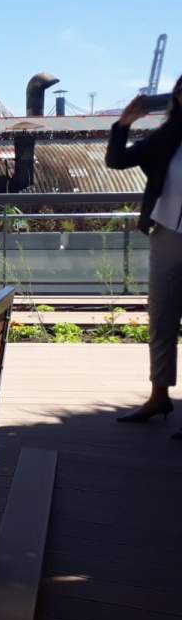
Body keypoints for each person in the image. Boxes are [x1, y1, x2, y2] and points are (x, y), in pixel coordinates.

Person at [106, 76, 182, 430]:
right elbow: (118, 161)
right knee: (162, 318)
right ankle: (158, 396)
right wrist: (124, 123)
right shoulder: (168, 137)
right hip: (167, 234)